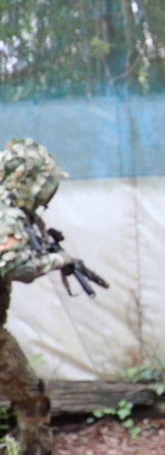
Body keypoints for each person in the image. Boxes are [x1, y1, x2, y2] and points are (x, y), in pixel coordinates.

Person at [0, 138, 73, 455]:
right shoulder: (7, 215)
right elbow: (17, 266)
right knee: (32, 397)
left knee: (32, 396)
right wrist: (57, 260)